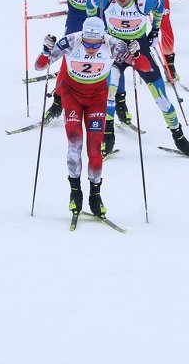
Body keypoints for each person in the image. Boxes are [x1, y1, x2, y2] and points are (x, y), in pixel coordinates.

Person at [34, 17, 131, 218]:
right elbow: (40, 66)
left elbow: (141, 64)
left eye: (95, 45)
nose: (91, 49)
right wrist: (45, 50)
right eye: (87, 43)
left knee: (95, 149)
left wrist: (135, 52)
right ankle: (75, 191)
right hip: (72, 97)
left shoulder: (113, 44)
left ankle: (95, 196)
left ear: (103, 38)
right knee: (74, 145)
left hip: (97, 98)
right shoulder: (70, 41)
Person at [93, 0, 189, 157]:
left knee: (161, 98)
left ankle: (179, 138)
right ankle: (108, 137)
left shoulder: (143, 1)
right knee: (109, 90)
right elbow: (90, 4)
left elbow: (161, 4)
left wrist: (155, 30)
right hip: (115, 48)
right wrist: (98, 27)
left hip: (139, 48)